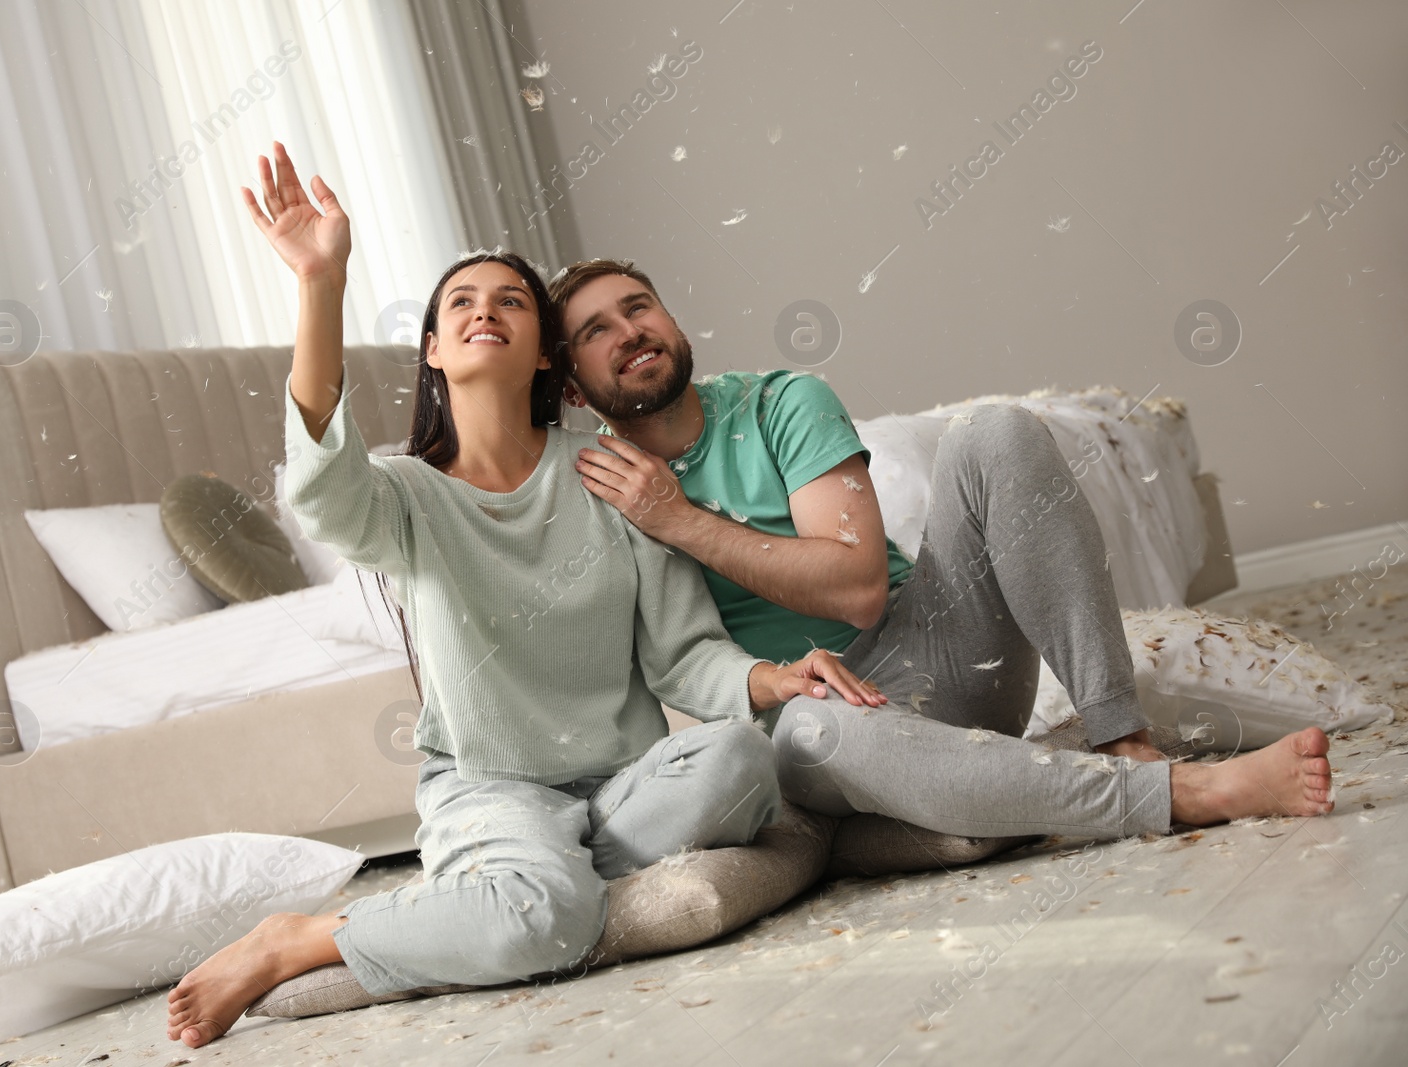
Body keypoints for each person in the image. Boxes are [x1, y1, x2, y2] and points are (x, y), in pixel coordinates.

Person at [164, 145, 882, 1049]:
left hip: (622, 785)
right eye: (459, 302)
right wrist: (320, 282)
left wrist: (782, 678)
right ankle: (303, 938)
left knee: (741, 761)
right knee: (548, 921)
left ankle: (525, 884)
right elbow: (318, 490)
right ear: (432, 349)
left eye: (510, 300)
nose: (484, 311)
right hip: (490, 790)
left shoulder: (612, 476)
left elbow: (684, 656)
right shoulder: (406, 497)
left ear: (546, 351)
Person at [550, 258, 1334, 843]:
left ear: (673, 323)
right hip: (824, 720)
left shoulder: (779, 402)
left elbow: (857, 587)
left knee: (994, 430)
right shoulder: (599, 490)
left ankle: (1123, 740)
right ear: (575, 389)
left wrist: (681, 520)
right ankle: (1175, 797)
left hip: (943, 652)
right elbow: (668, 661)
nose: (630, 333)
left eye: (638, 307)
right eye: (596, 331)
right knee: (809, 734)